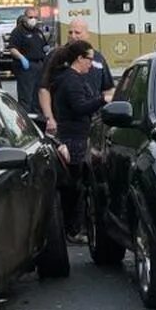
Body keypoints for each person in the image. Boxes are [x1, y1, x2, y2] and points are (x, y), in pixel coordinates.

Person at [51, 40, 108, 242]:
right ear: (79, 58)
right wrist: (102, 100)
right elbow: (80, 107)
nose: (91, 64)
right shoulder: (71, 81)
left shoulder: (72, 78)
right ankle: (73, 229)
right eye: (89, 59)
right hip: (74, 138)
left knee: (77, 186)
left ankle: (75, 227)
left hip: (75, 135)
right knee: (75, 187)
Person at [39, 19, 114, 136]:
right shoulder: (57, 56)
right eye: (70, 32)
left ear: (87, 34)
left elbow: (108, 88)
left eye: (77, 32)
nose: (73, 36)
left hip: (93, 122)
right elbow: (44, 89)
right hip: (65, 122)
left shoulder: (98, 58)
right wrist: (49, 118)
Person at [8, 6, 50, 115]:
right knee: (26, 98)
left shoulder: (38, 31)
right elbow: (12, 48)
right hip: (26, 67)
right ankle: (25, 118)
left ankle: (38, 119)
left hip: (39, 66)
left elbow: (44, 46)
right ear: (25, 17)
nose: (33, 20)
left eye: (35, 17)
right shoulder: (18, 31)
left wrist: (46, 49)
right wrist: (22, 58)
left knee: (38, 96)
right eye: (31, 17)